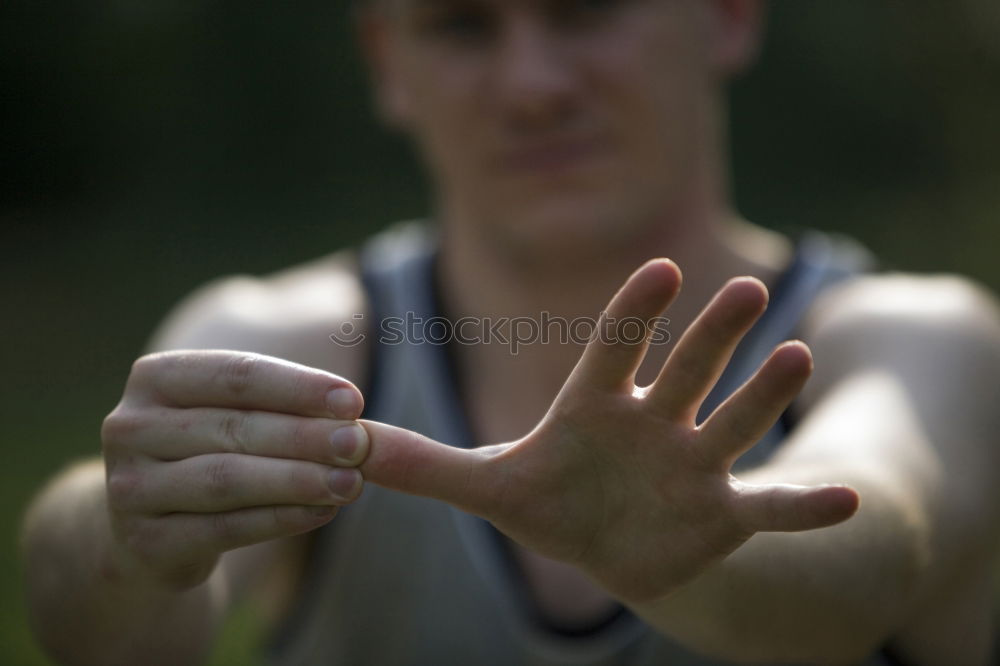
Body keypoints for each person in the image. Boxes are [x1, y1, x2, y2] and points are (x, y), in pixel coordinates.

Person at [21, 1, 1000, 664]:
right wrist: (125, 534)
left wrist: (691, 550)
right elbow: (107, 631)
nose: (533, 84)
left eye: (584, 8)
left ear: (729, 13)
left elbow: (877, 543)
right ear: (385, 63)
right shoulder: (289, 342)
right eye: (461, 24)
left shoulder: (917, 338)